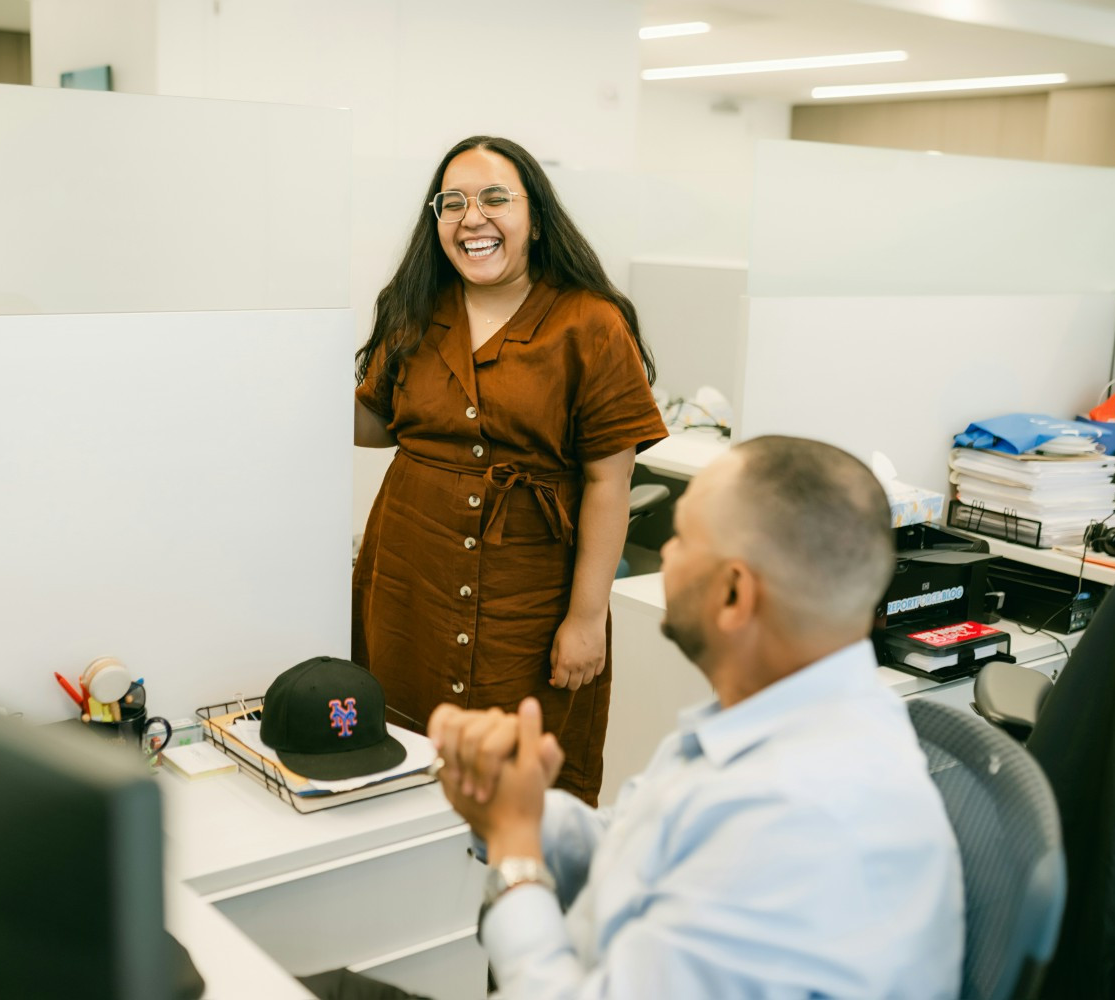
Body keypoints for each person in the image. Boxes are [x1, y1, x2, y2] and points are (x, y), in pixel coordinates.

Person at [429, 436, 965, 998]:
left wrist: (517, 854)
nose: (667, 556)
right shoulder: (785, 712)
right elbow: (641, 845)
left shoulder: (795, 820)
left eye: (681, 539)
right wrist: (522, 803)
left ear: (734, 593)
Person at [353, 135, 667, 805]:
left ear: (537, 217)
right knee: (403, 753)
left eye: (496, 198)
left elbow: (610, 483)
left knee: (523, 775)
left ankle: (520, 894)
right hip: (410, 573)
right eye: (454, 202)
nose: (473, 218)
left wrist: (586, 619)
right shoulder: (415, 308)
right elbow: (376, 425)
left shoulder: (590, 324)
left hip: (532, 587)